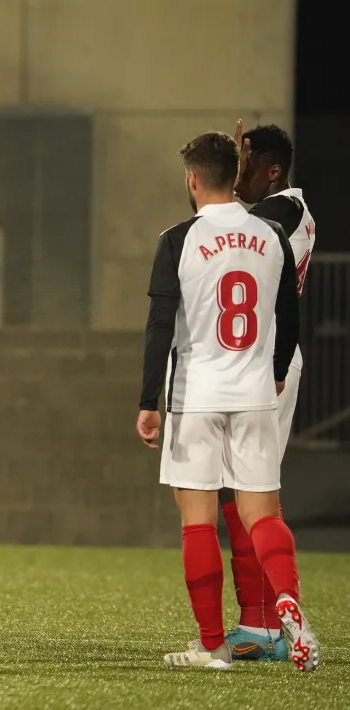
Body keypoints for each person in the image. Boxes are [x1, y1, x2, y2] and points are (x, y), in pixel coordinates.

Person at [136, 131, 318, 672]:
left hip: (198, 394)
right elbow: (290, 314)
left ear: (192, 178)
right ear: (235, 173)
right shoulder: (272, 234)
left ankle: (212, 647)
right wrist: (279, 370)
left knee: (198, 522)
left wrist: (149, 400)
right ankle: (288, 607)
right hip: (257, 391)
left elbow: (159, 324)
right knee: (262, 513)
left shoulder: (177, 238)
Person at [220, 122, 317, 662]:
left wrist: (216, 183)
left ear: (273, 171)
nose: (237, 176)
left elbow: (240, 227)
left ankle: (276, 622)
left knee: (257, 495)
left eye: (246, 164)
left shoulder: (287, 209)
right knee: (239, 493)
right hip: (246, 361)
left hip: (271, 366)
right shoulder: (263, 214)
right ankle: (258, 623)